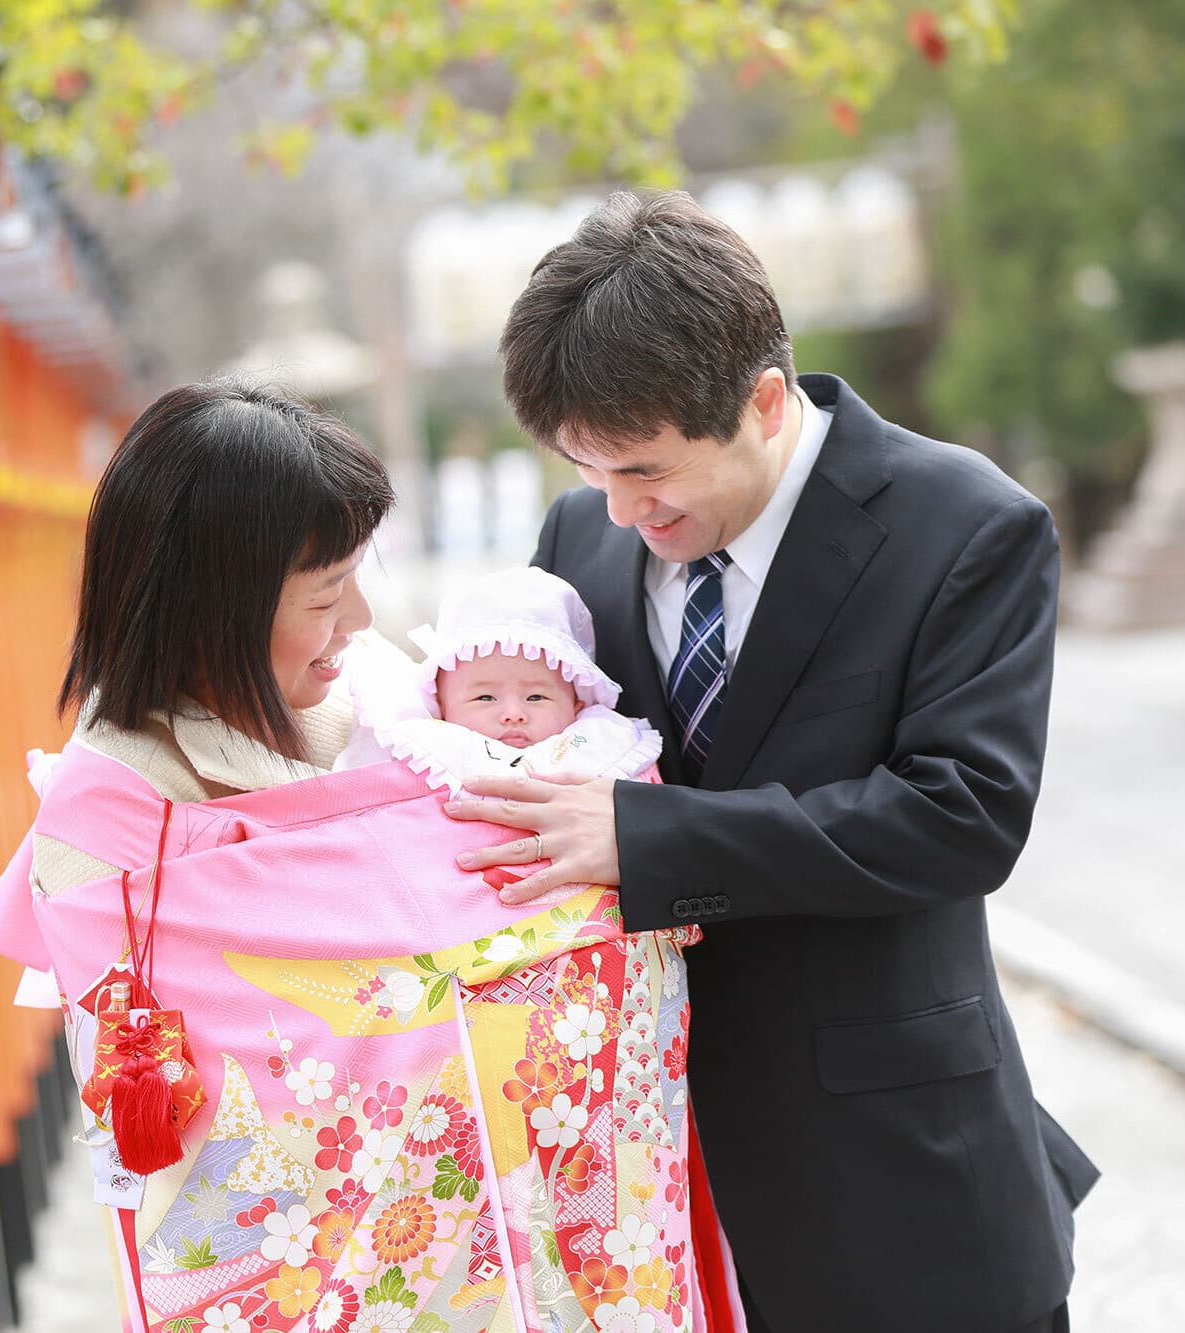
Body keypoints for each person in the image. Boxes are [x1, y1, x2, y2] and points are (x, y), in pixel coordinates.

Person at [445, 189, 1099, 1333]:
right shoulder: (576, 540)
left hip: (898, 1186)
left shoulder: (965, 526)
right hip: (651, 1197)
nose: (616, 507)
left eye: (644, 470)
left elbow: (961, 816)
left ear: (758, 400)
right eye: (586, 467)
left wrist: (644, 841)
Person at [0, 379, 737, 1332]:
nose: (362, 619)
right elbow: (225, 1084)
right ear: (219, 606)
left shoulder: (392, 709)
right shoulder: (112, 811)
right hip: (328, 1272)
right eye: (327, 594)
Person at [335, 565, 665, 794]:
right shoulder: (420, 748)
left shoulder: (603, 747)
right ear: (441, 703)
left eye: (536, 697)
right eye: (485, 698)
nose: (512, 713)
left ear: (577, 704)